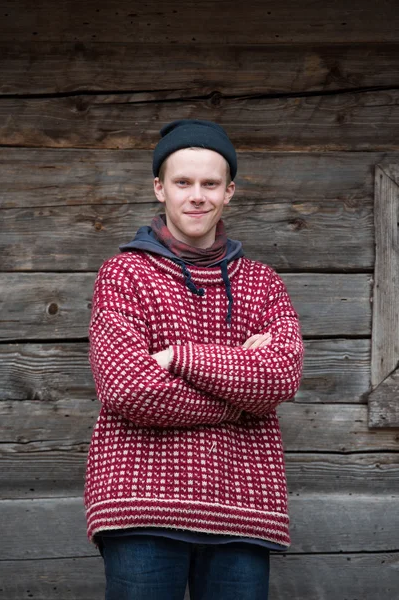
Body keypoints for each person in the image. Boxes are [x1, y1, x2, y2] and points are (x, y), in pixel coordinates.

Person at [84, 119, 304, 600]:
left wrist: (178, 356)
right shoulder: (125, 274)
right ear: (159, 188)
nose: (197, 196)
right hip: (140, 503)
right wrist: (241, 395)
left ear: (230, 192)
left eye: (210, 184)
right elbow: (129, 389)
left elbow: (281, 375)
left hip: (244, 506)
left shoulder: (262, 283)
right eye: (183, 182)